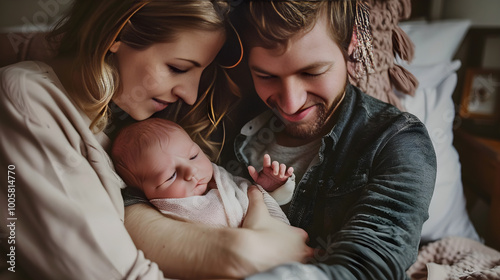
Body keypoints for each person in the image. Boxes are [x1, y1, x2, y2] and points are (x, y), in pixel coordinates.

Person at [0, 0, 312, 279]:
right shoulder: (26, 96)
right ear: (116, 35)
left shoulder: (134, 116)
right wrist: (246, 253)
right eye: (177, 68)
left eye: (199, 73)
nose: (189, 95)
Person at [218, 0, 437, 279]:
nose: (290, 103)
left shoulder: (397, 140)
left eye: (311, 72)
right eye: (266, 75)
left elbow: (369, 264)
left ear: (352, 44)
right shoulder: (226, 119)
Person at [111, 118, 293, 227]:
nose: (191, 171)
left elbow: (261, 202)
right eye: (170, 176)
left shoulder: (224, 180)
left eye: (193, 156)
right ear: (144, 194)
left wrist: (270, 189)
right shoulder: (167, 220)